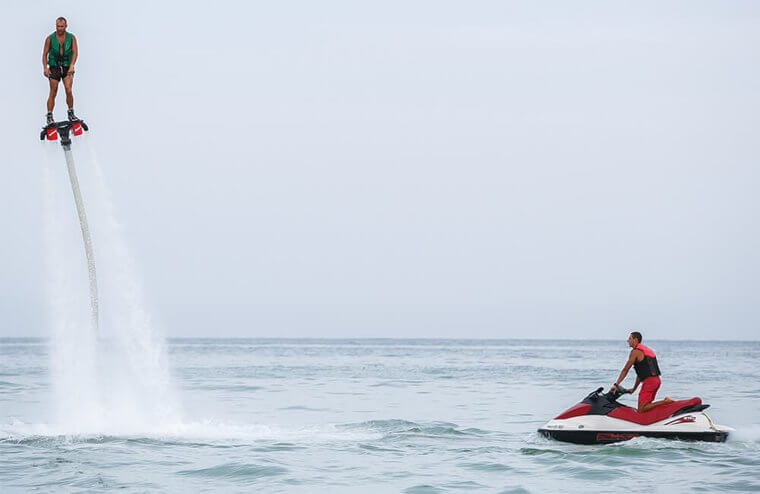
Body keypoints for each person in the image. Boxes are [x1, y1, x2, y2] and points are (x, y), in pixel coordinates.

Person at [610, 331, 673, 413]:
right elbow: (640, 374)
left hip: (649, 383)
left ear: (635, 340)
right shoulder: (646, 350)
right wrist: (634, 389)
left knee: (641, 409)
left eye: (630, 338)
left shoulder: (635, 352)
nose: (627, 340)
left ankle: (665, 402)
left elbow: (625, 370)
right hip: (656, 381)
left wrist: (616, 385)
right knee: (647, 406)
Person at [42, 17, 79, 125]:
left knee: (68, 89)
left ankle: (71, 112)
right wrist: (45, 67)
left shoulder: (71, 38)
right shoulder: (49, 38)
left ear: (66, 26)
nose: (60, 28)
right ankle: (49, 115)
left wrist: (72, 65)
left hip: (67, 66)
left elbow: (75, 52)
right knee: (53, 91)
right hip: (54, 66)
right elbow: (44, 54)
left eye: (62, 26)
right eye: (58, 26)